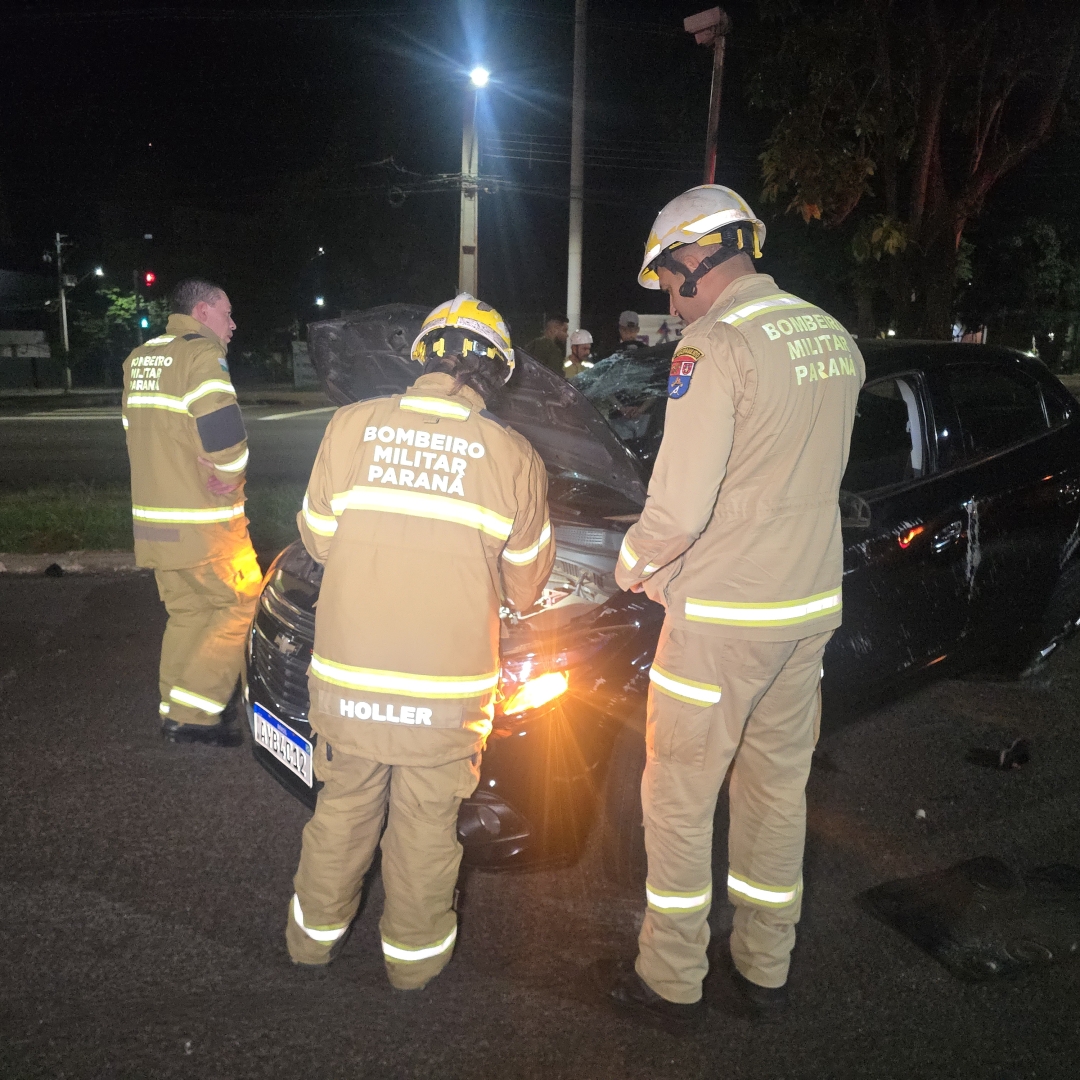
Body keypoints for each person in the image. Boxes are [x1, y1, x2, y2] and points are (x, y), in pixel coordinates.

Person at [596, 185, 865, 1031]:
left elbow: (678, 507)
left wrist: (631, 566)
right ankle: (764, 967)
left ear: (693, 262)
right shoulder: (832, 335)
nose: (671, 307)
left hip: (720, 621)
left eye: (670, 283)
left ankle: (671, 982)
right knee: (777, 794)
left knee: (678, 798)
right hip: (807, 608)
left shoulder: (715, 348)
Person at [286, 293, 554, 989]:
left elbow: (316, 538)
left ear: (422, 358)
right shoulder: (515, 455)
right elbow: (525, 587)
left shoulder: (349, 427)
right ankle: (413, 967)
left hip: (349, 683)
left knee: (341, 811)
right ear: (496, 374)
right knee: (428, 830)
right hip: (446, 698)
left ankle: (310, 945)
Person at [121, 278, 260, 747]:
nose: (233, 324)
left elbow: (135, 432)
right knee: (240, 603)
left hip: (155, 524)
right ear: (203, 312)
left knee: (187, 613)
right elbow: (223, 429)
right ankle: (197, 716)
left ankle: (176, 711)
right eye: (228, 313)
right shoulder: (200, 355)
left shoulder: (138, 358)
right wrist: (231, 475)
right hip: (204, 524)